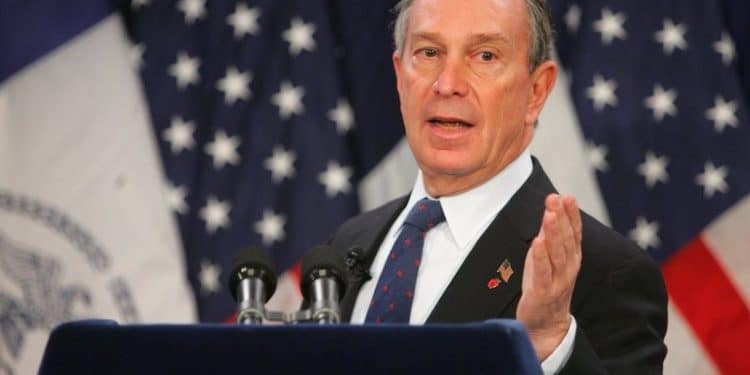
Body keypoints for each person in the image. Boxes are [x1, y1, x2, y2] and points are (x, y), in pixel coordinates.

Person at [328, 0, 668, 373]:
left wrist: (549, 343)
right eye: (429, 52)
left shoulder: (607, 272)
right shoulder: (348, 243)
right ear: (399, 75)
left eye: (485, 56)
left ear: (536, 91)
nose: (448, 84)